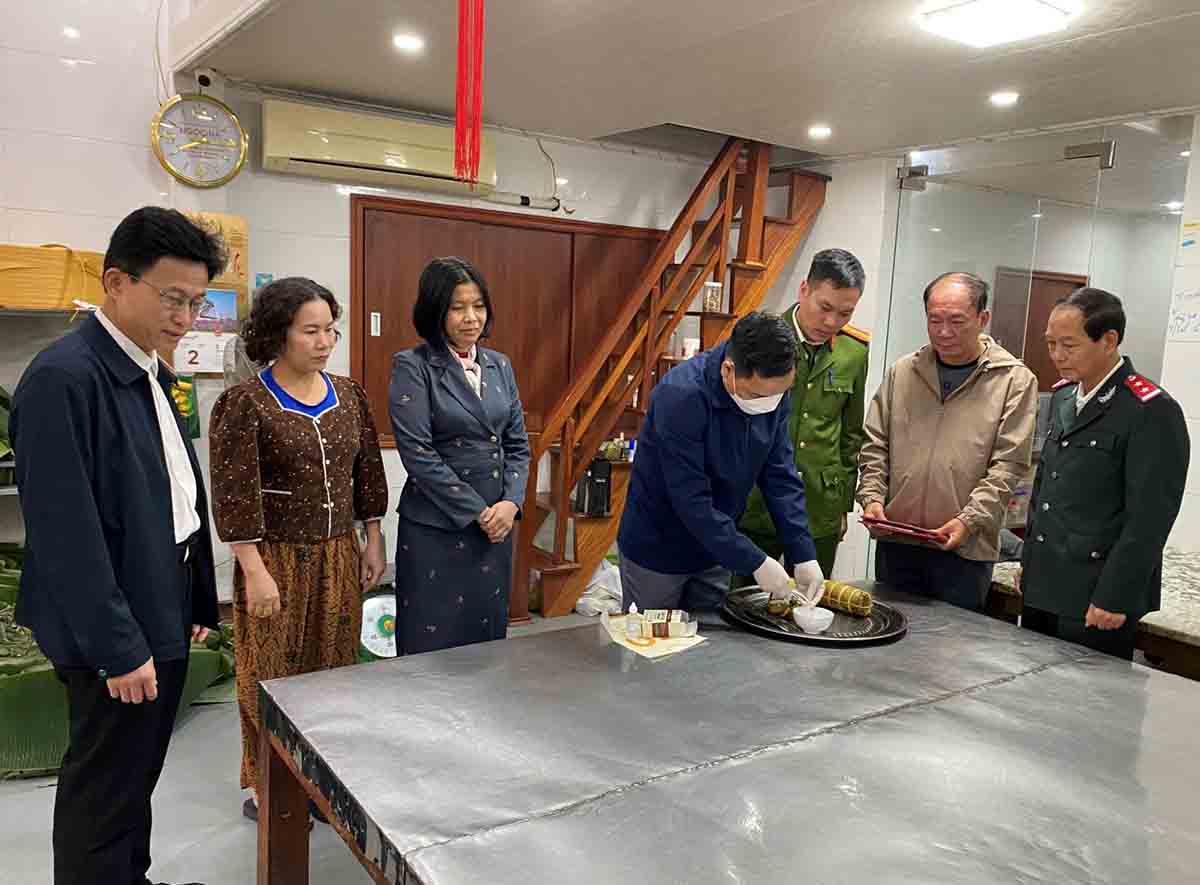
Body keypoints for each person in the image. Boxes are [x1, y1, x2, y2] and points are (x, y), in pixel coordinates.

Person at [10, 207, 225, 885]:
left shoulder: (148, 369)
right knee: (104, 785)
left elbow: (174, 494)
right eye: (172, 298)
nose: (185, 318)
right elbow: (65, 534)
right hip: (113, 622)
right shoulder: (65, 378)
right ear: (115, 281)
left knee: (136, 773)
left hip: (159, 601)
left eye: (196, 302)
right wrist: (118, 646)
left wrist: (195, 599)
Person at [209, 277, 388, 819]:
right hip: (274, 560)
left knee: (333, 669)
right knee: (268, 675)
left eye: (330, 330)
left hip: (339, 554)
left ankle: (321, 780)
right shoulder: (245, 404)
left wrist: (373, 537)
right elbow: (234, 495)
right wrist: (253, 569)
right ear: (277, 334)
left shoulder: (349, 395)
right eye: (310, 331)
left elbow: (367, 472)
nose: (324, 341)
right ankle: (267, 787)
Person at [1019, 288, 1189, 660]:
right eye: (1051, 344)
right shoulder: (1065, 397)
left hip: (1095, 593)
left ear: (1109, 340)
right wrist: (1029, 563)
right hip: (1043, 583)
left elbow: (1150, 519)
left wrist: (1116, 595)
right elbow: (1045, 487)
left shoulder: (1149, 410)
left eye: (1069, 345)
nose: (1056, 355)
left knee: (1084, 694)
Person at [617, 311, 823, 613]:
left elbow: (780, 475)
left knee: (713, 638)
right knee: (650, 637)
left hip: (718, 548)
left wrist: (803, 552)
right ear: (729, 370)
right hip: (658, 549)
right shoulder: (681, 397)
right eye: (757, 395)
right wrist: (755, 561)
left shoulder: (773, 391)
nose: (768, 405)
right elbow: (691, 500)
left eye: (779, 395)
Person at [857, 271, 1037, 612]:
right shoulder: (904, 372)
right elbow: (875, 445)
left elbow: (1008, 466)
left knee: (952, 643)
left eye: (956, 321)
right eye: (934, 320)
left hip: (964, 551)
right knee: (889, 636)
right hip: (897, 542)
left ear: (983, 318)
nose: (943, 332)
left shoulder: (1013, 380)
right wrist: (872, 498)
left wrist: (969, 521)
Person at [388, 257, 531, 654]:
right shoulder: (413, 366)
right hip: (438, 528)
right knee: (431, 642)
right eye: (458, 308)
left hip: (496, 528)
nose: (471, 318)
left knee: (485, 639)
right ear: (435, 311)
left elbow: (517, 444)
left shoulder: (499, 364)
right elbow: (418, 453)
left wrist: (511, 503)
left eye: (478, 306)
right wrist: (478, 512)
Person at [738, 249, 869, 578]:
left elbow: (851, 435)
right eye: (825, 307)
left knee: (813, 599)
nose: (832, 322)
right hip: (756, 501)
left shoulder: (854, 353)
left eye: (845, 313)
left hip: (819, 504)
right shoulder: (762, 339)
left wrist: (842, 506)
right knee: (743, 599)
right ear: (804, 290)